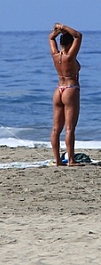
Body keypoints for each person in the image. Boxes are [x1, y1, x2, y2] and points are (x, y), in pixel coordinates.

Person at [49, 23, 82, 166]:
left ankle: (57, 160)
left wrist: (57, 31)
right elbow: (78, 36)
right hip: (70, 88)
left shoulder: (56, 55)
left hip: (58, 89)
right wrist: (64, 26)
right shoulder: (70, 56)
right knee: (69, 128)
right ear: (70, 43)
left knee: (56, 128)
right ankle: (71, 160)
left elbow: (51, 38)